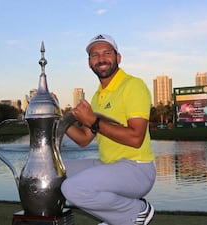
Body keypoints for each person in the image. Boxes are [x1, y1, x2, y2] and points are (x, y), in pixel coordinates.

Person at [61, 34, 156, 225]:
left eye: (107, 53)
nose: (101, 59)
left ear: (118, 58)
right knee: (53, 173)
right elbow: (83, 139)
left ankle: (135, 212)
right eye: (95, 55)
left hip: (137, 169)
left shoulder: (133, 85)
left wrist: (92, 120)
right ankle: (116, 218)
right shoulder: (98, 96)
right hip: (109, 165)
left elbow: (136, 137)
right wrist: (57, 118)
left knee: (73, 189)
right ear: (89, 63)